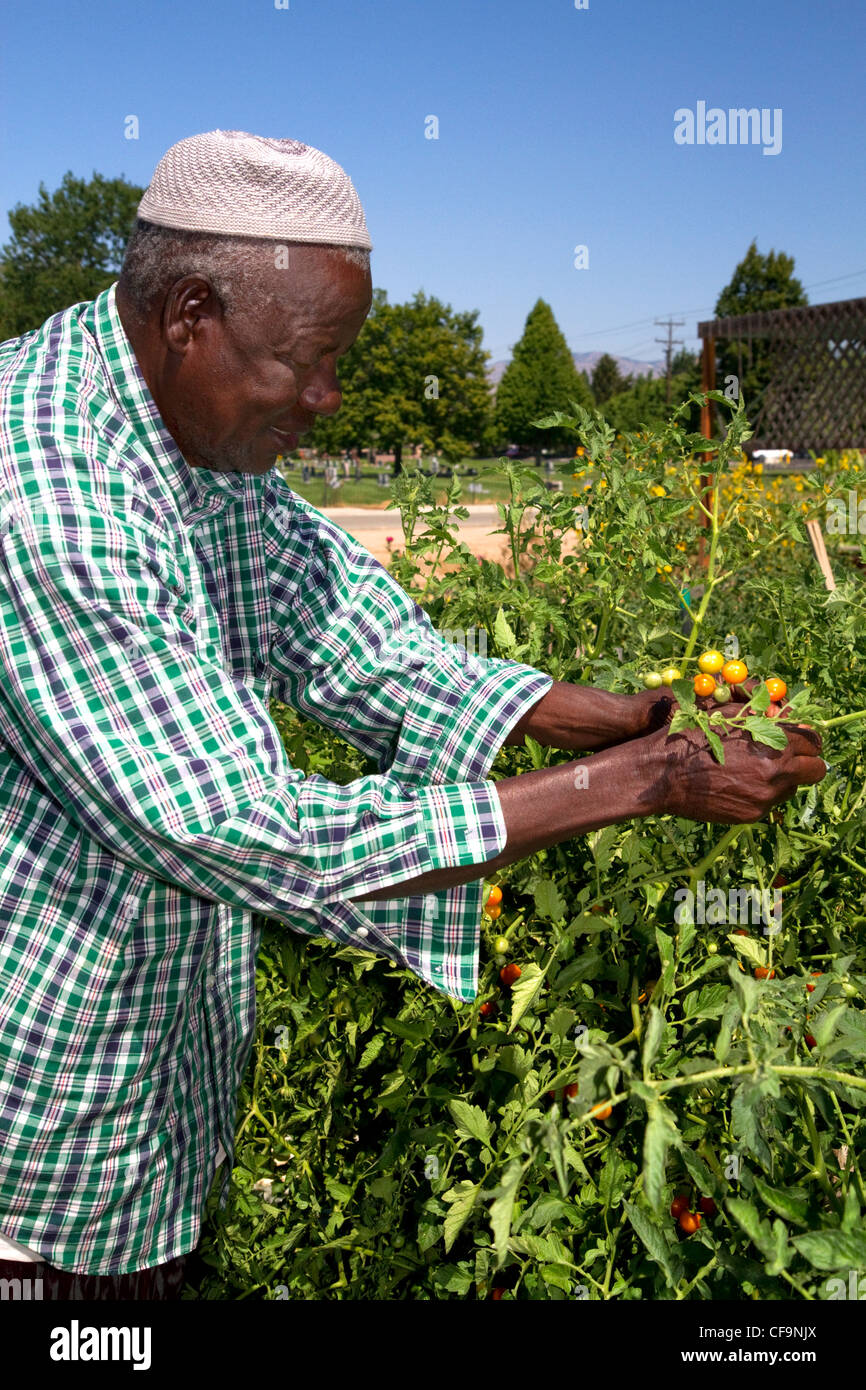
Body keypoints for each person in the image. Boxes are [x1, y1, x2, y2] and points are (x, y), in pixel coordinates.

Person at [0, 129, 824, 1299]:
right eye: (311, 360)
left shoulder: (190, 430)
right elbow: (247, 829)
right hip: (43, 1139)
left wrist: (613, 718)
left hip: (156, 1083)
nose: (330, 398)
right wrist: (645, 784)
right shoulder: (45, 487)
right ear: (190, 313)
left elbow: (347, 628)